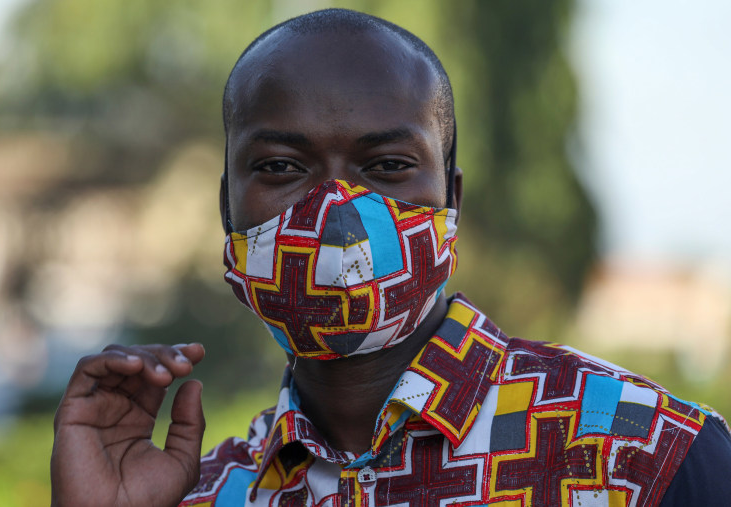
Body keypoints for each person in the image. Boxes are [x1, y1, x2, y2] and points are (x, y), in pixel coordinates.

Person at [50, 8, 731, 507]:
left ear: (450, 197)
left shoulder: (643, 454)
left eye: (388, 165)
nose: (338, 211)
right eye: (283, 166)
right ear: (228, 206)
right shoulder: (201, 494)